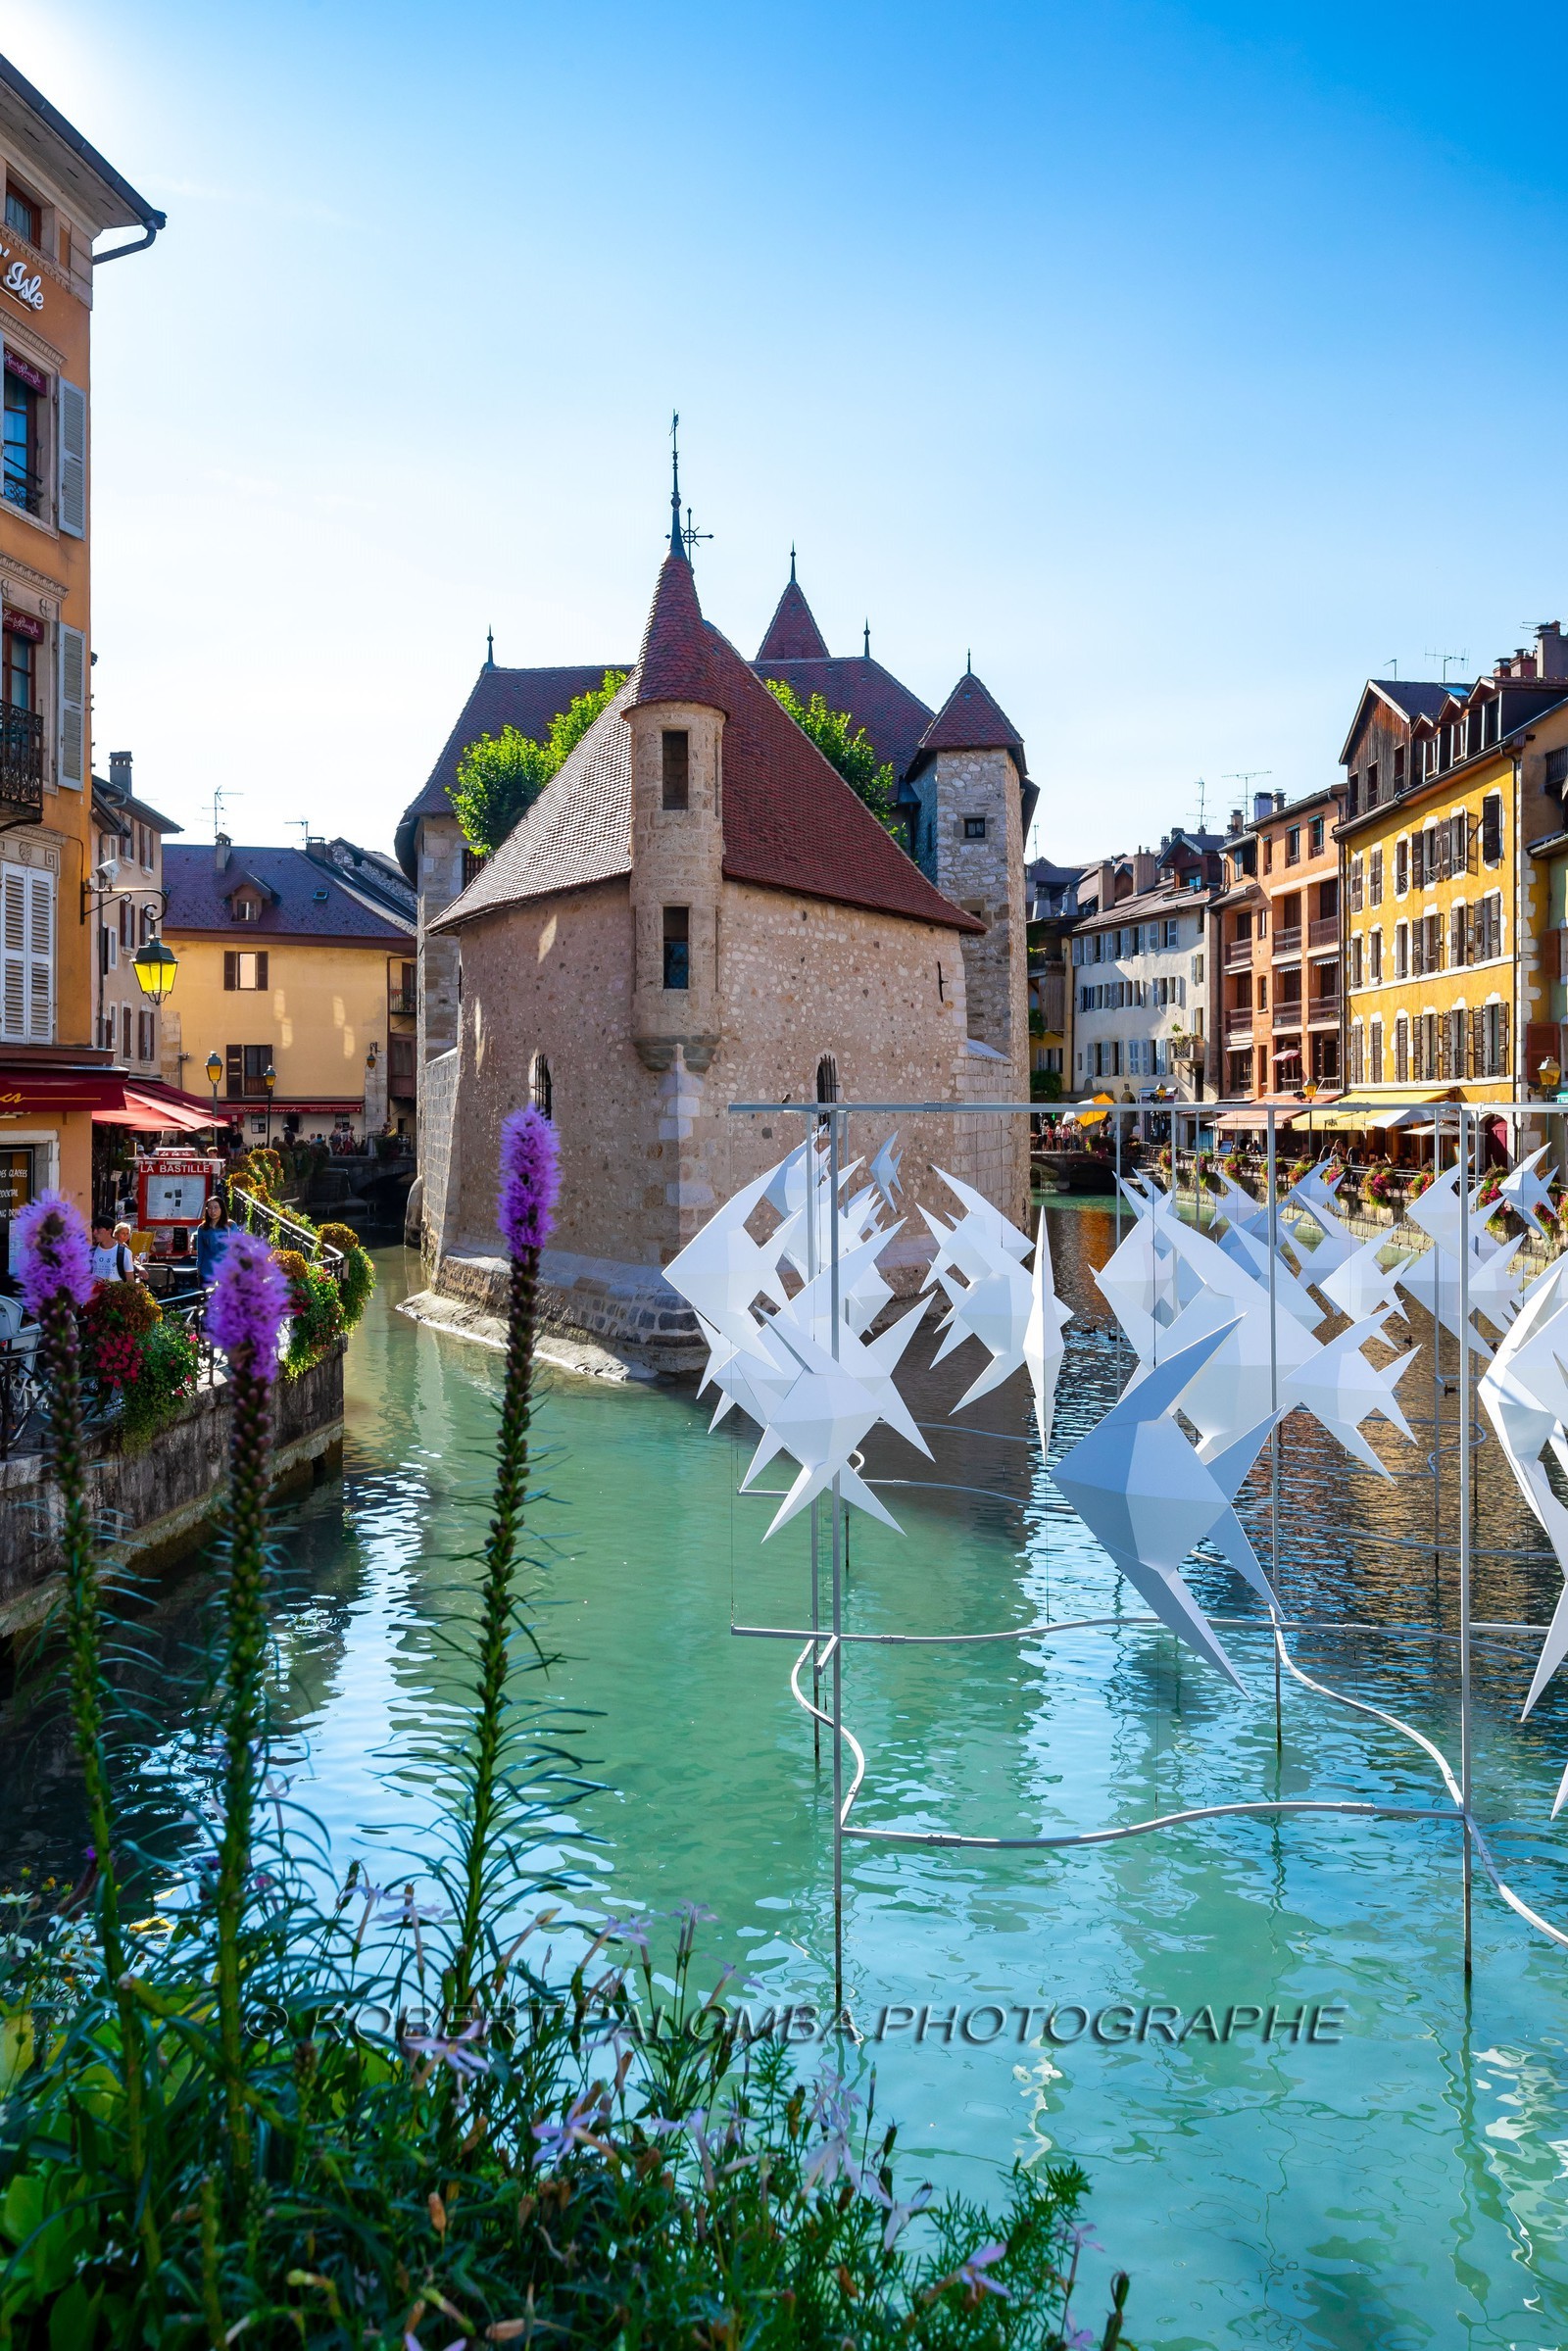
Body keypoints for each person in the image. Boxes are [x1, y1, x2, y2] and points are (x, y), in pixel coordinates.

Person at [195, 1194, 232, 1285]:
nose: (212, 1211)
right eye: (210, 1208)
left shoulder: (230, 1226)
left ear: (222, 1209)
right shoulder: (202, 1228)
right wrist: (198, 1267)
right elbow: (200, 1251)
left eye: (216, 1207)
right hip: (207, 1270)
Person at [88, 1217, 134, 1284]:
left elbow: (130, 1281)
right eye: (93, 1229)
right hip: (94, 1293)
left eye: (98, 1229)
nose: (94, 1233)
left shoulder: (124, 1252)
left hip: (115, 1293)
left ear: (109, 1231)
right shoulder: (91, 1252)